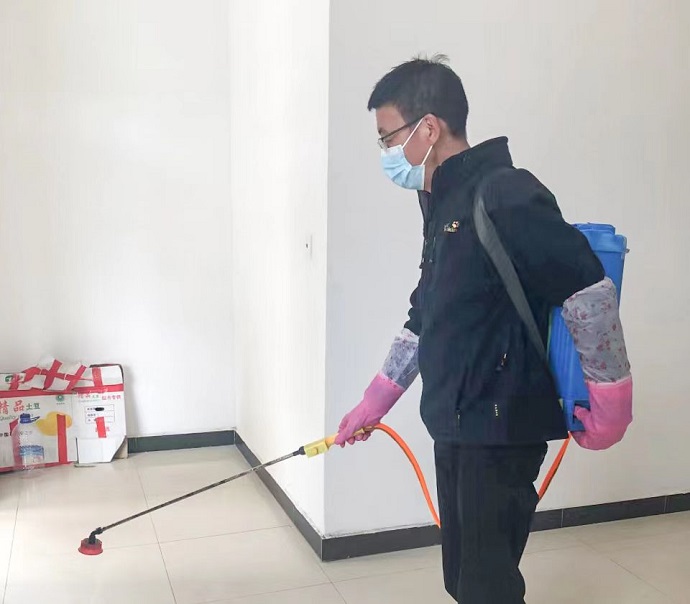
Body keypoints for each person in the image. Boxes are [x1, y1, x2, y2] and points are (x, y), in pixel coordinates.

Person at [334, 55, 632, 604]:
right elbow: (425, 314)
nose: (386, 153)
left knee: (486, 588)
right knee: (462, 581)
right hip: (454, 422)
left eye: (388, 138)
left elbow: (587, 291)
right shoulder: (440, 202)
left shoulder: (505, 193)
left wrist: (613, 400)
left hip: (500, 430)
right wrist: (375, 401)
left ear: (428, 128)